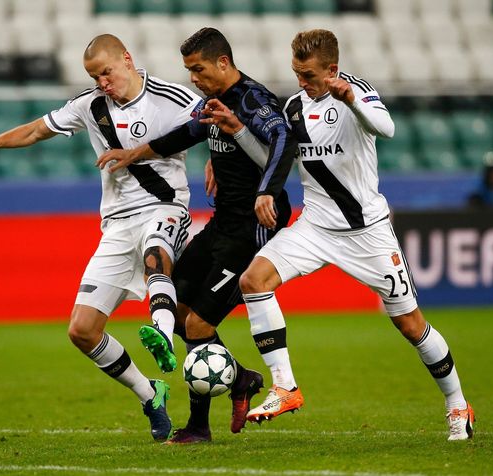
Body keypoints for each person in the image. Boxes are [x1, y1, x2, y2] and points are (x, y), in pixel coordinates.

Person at [204, 29, 475, 441]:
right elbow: (277, 160)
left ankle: (457, 404)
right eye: (296, 73)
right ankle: (285, 387)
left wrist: (349, 98)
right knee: (253, 281)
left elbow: (387, 129)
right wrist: (239, 131)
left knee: (411, 325)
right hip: (315, 227)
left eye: (309, 74)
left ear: (332, 70)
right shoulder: (293, 106)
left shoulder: (358, 93)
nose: (301, 82)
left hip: (367, 234)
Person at [0, 34, 203, 442]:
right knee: (82, 330)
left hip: (165, 208)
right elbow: (36, 131)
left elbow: (216, 124)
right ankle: (148, 392)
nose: (103, 82)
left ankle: (161, 330)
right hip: (117, 224)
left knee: (158, 252)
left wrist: (221, 170)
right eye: (94, 76)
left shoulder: (171, 96)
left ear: (126, 59)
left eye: (106, 72)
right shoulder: (90, 106)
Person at [96, 27, 298, 444]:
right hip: (224, 223)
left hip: (253, 229)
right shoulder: (211, 104)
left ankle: (199, 427)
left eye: (198, 69)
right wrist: (132, 154)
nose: (193, 78)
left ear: (223, 63)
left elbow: (283, 142)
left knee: (200, 323)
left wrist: (267, 188)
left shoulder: (254, 101)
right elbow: (182, 137)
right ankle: (240, 379)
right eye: (189, 70)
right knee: (178, 308)